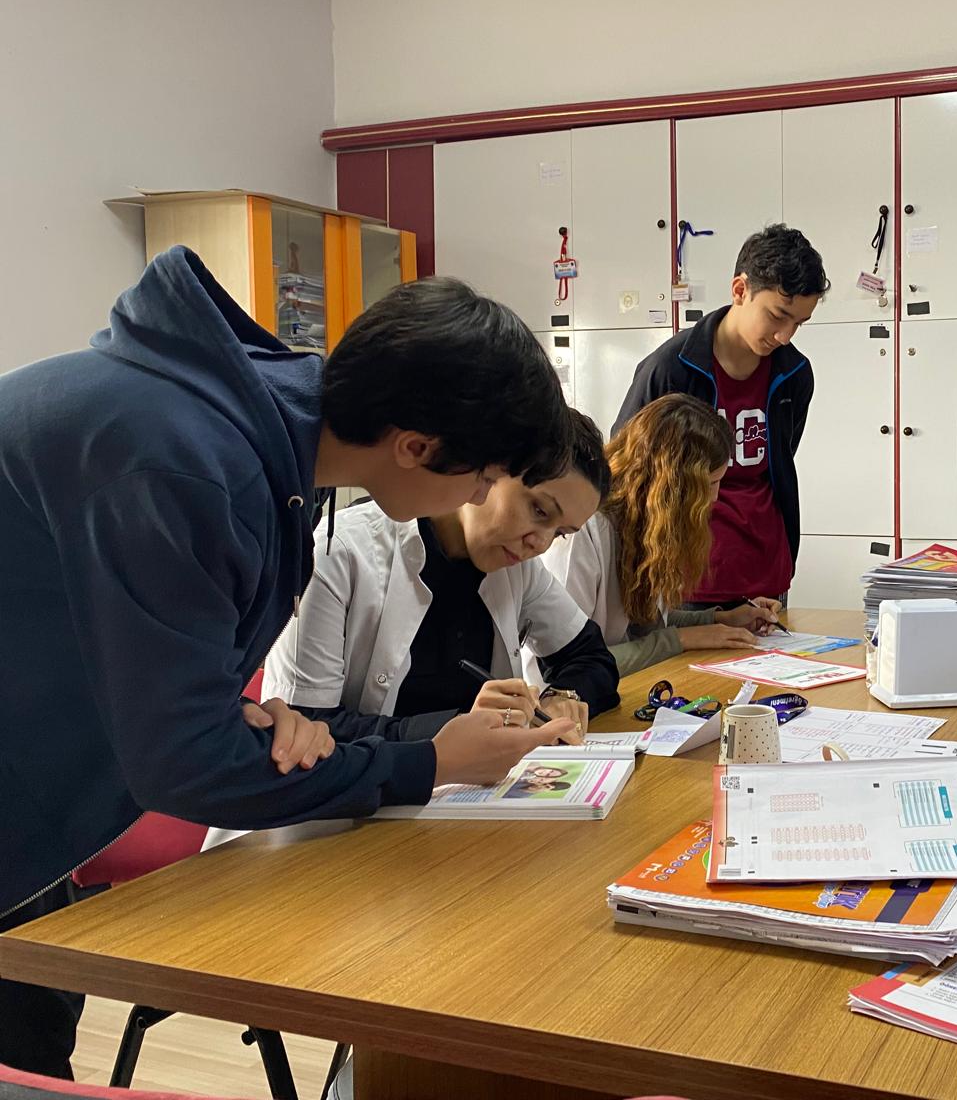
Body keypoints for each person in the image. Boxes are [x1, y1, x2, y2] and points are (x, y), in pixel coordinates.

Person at [0, 248, 578, 1077]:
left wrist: (241, 716)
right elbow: (183, 765)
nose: (482, 498)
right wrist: (427, 764)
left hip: (38, 796)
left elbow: (129, 646)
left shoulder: (268, 451)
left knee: (32, 1050)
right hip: (31, 796)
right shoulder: (184, 460)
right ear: (416, 446)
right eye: (484, 476)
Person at [262, 410, 620, 743]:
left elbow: (591, 657)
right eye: (539, 510)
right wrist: (450, 732)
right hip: (367, 789)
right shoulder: (336, 553)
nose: (540, 544)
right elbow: (302, 728)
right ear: (490, 469)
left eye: (560, 533)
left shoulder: (517, 567)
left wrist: (563, 696)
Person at [613, 224, 827, 606]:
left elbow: (780, 460)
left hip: (767, 575)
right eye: (778, 316)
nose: (785, 335)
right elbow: (626, 470)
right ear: (740, 290)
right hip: (685, 581)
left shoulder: (795, 374)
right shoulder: (669, 370)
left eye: (799, 323)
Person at [549, 395, 781, 674]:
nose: (715, 498)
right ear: (670, 486)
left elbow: (649, 623)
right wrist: (680, 640)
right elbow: (569, 667)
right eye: (709, 484)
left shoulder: (643, 525)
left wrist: (722, 619)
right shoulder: (584, 530)